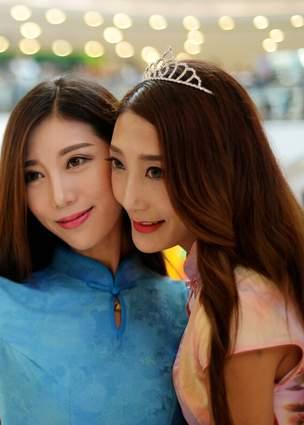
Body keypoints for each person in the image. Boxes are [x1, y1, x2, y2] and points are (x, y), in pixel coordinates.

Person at [0, 75, 189, 425]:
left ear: (120, 160)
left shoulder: (186, 305)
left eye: (76, 161)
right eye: (34, 176)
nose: (59, 197)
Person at [109, 50, 304, 425]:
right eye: (118, 163)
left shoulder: (245, 303)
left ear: (217, 170)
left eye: (156, 171)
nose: (130, 197)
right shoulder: (228, 282)